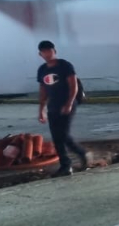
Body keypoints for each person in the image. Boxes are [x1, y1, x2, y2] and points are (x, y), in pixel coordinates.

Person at [36, 40, 88, 177]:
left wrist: (69, 103)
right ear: (40, 54)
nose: (47, 54)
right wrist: (41, 109)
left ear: (55, 51)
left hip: (67, 103)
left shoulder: (65, 65)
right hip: (53, 106)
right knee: (56, 137)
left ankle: (81, 153)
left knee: (63, 134)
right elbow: (43, 90)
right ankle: (65, 166)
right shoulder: (42, 70)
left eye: (50, 51)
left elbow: (73, 85)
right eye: (44, 52)